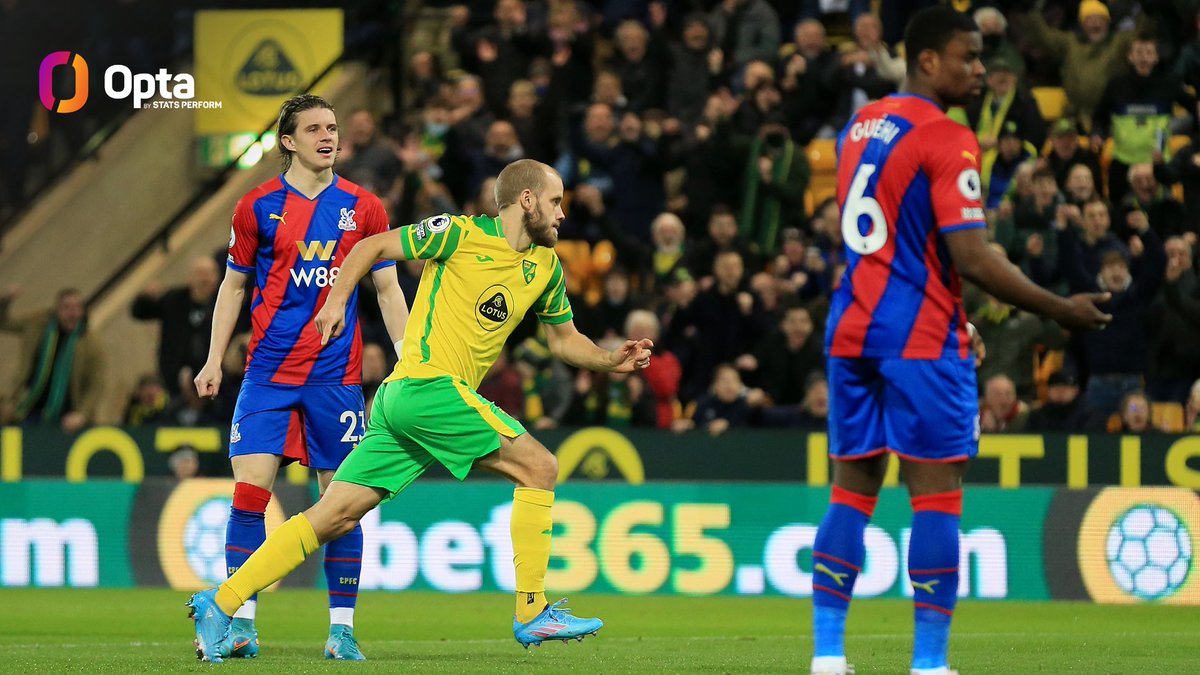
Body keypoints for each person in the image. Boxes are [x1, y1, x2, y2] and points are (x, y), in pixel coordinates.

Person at [187, 159, 653, 661]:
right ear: (526, 200)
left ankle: (221, 601)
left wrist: (610, 359)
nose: (562, 213)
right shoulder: (457, 233)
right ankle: (532, 610)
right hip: (429, 388)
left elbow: (564, 340)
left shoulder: (545, 267)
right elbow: (369, 247)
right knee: (540, 467)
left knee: (333, 516)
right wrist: (335, 301)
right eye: (555, 201)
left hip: (405, 404)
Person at [811, 8, 1110, 675]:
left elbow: (898, 239)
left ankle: (827, 656)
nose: (979, 69)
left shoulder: (860, 125)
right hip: (919, 337)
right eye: (967, 56)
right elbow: (972, 256)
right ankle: (928, 663)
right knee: (937, 496)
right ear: (927, 60)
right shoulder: (947, 136)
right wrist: (1060, 307)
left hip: (853, 327)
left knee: (850, 493)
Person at [189, 94, 410, 662]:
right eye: (313, 129)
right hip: (267, 374)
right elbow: (233, 286)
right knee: (249, 495)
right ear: (287, 141)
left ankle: (341, 630)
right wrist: (214, 358)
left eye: (332, 127)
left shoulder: (365, 208)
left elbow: (387, 289)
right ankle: (240, 624)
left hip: (336, 378)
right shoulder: (256, 206)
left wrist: (408, 357)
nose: (327, 136)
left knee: (342, 504)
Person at [0, 286, 104, 433]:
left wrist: (81, 414)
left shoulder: (91, 344)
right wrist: (4, 301)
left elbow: (96, 384)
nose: (72, 314)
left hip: (67, 416)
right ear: (56, 310)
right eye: (67, 308)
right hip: (28, 409)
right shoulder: (37, 325)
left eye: (77, 308)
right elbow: (4, 323)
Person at [130, 256, 220, 397]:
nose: (204, 280)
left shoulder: (223, 304)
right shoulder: (174, 300)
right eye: (200, 274)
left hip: (211, 382)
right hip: (172, 380)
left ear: (217, 278)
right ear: (190, 278)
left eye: (209, 274)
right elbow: (139, 313)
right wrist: (145, 297)